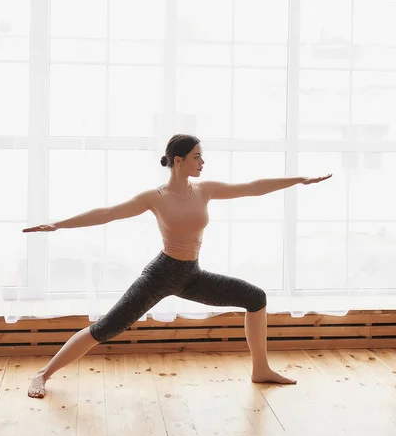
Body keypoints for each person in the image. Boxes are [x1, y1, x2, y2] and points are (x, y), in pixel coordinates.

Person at [23, 133, 332, 398]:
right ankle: (43, 374)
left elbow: (252, 186)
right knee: (105, 328)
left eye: (202, 157)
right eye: (197, 156)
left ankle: (261, 370)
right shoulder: (155, 197)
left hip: (191, 276)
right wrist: (57, 225)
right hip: (160, 275)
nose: (202, 162)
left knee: (255, 298)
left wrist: (299, 180)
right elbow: (107, 213)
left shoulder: (204, 190)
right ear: (178, 160)